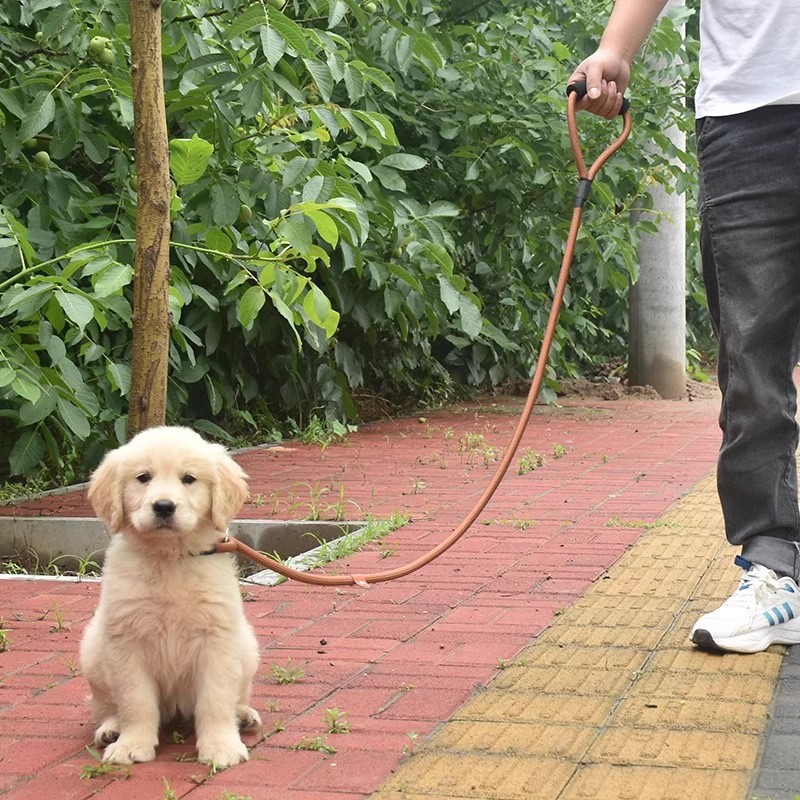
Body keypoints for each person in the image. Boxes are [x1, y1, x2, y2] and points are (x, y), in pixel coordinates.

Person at [569, 0, 800, 653]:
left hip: (745, 117)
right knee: (751, 359)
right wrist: (615, 49)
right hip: (747, 112)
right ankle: (774, 570)